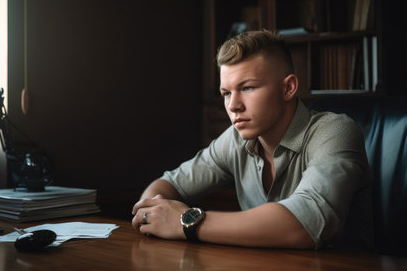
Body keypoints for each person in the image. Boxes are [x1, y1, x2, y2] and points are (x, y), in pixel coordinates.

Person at [131, 30, 374, 249]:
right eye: (226, 93)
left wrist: (187, 222)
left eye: (247, 88)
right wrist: (150, 212)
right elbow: (170, 184)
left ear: (288, 88)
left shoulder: (335, 131)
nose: (234, 106)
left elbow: (305, 225)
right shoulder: (236, 139)